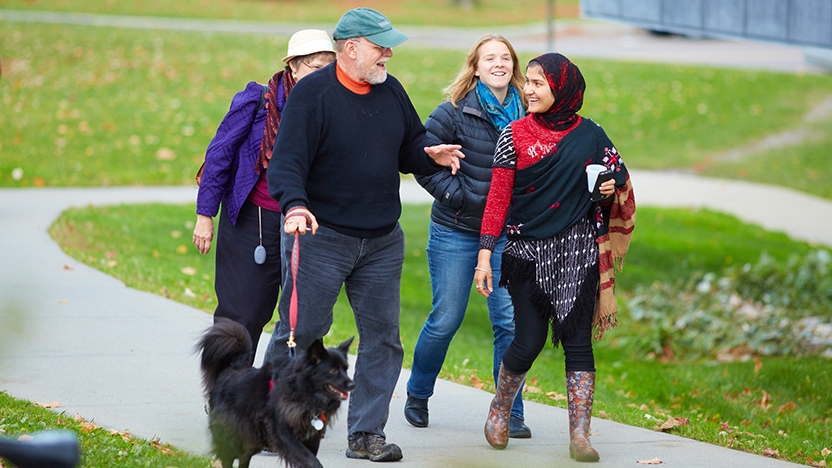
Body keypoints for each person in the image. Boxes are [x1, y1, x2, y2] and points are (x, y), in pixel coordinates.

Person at [263, 8, 464, 463]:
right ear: (350, 48)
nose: (388, 54)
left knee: (384, 338)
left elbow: (409, 144)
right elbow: (287, 161)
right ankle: (272, 418)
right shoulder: (313, 94)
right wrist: (295, 205)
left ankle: (365, 433)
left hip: (380, 240)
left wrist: (427, 152)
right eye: (380, 46)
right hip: (320, 234)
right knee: (302, 331)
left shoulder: (390, 90)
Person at [473, 53, 636, 461]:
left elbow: (619, 177)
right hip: (527, 252)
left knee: (579, 342)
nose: (527, 89)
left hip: (578, 251)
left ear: (561, 90)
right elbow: (498, 200)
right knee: (528, 341)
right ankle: (500, 408)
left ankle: (579, 436)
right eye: (526, 82)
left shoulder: (592, 135)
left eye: (537, 83)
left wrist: (607, 189)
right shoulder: (513, 135)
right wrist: (484, 256)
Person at [404, 35, 533, 438]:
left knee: (510, 324)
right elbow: (420, 158)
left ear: (514, 65)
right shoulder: (454, 112)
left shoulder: (530, 113)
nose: (499, 64)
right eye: (489, 58)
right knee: (445, 319)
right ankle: (418, 393)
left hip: (509, 237)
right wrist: (455, 195)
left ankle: (508, 411)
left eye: (505, 57)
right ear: (475, 67)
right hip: (456, 231)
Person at [192, 30, 336, 355]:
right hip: (252, 222)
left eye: (331, 66)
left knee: (302, 319)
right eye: (316, 66)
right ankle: (226, 397)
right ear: (294, 67)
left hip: (304, 224)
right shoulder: (258, 100)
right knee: (242, 315)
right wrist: (205, 216)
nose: (325, 75)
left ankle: (281, 395)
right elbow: (219, 156)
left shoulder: (332, 108)